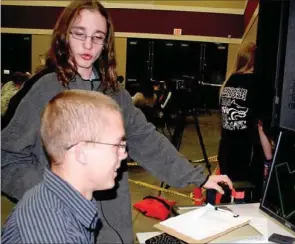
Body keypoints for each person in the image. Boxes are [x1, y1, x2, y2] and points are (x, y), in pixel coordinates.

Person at [1, 1, 233, 243]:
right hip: (57, 226)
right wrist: (53, 196)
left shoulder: (114, 92)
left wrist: (199, 178)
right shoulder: (44, 89)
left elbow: (147, 140)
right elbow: (7, 159)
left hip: (113, 231)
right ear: (64, 36)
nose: (88, 45)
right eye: (80, 34)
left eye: (98, 37)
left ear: (106, 43)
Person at [2, 90, 127, 243]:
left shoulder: (48, 197)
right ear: (82, 153)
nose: (124, 154)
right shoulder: (56, 231)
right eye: (117, 145)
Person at [218, 42, 258, 202]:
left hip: (226, 148)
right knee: (243, 199)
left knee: (227, 194)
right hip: (244, 151)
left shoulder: (229, 80)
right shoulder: (254, 82)